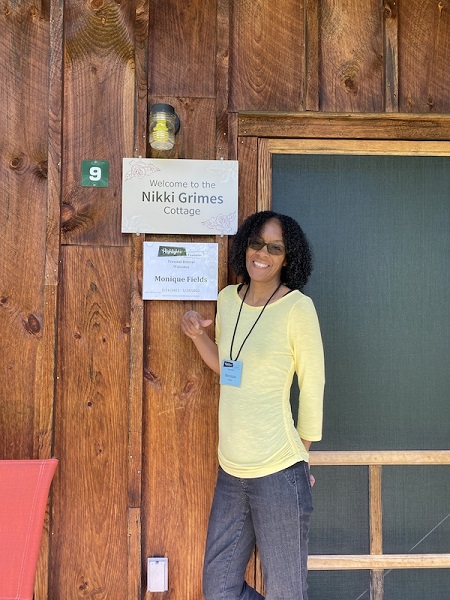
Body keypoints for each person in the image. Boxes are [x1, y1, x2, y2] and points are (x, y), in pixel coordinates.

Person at [181, 210, 325, 600]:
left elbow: (313, 385)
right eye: (256, 243)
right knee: (219, 589)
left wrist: (303, 456)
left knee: (286, 591)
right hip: (231, 469)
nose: (262, 253)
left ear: (288, 258)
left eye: (274, 248)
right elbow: (229, 370)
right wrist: (196, 335)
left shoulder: (297, 308)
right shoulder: (228, 299)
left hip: (279, 470)